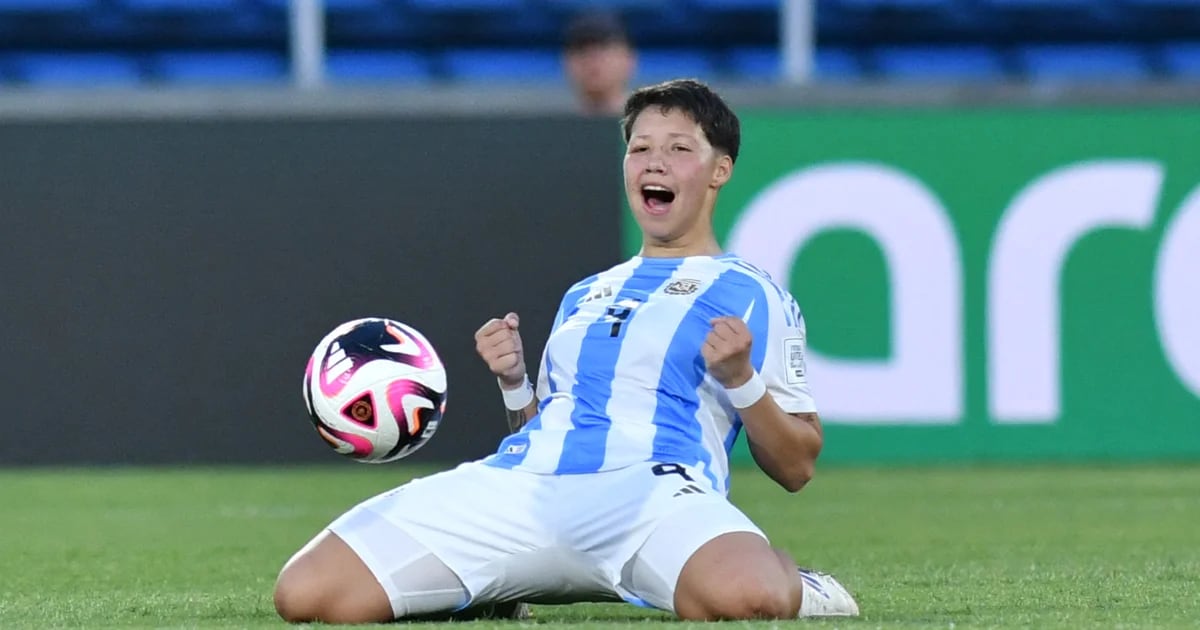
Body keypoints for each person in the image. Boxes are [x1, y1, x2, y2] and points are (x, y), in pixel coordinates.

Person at [272, 78, 860, 624]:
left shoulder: (755, 293)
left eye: (679, 149)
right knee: (307, 593)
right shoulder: (586, 292)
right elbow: (543, 428)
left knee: (751, 596)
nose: (654, 161)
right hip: (525, 484)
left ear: (719, 170)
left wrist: (741, 379)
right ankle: (495, 586)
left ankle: (806, 588)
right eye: (640, 149)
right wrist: (513, 382)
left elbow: (797, 465)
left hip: (653, 492)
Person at [562, 11, 636, 116]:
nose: (592, 59)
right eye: (581, 49)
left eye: (604, 48)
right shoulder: (552, 128)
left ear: (629, 58)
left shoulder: (653, 125)